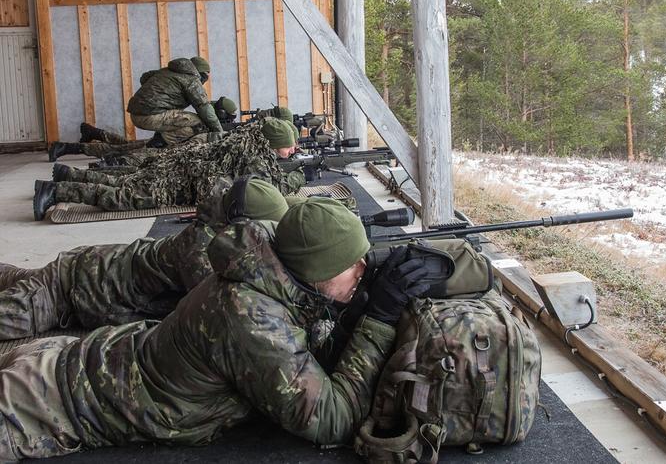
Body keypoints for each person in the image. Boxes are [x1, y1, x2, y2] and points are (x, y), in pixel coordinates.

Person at [0, 198, 430, 460]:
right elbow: (332, 420)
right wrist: (378, 319)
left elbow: (309, 340)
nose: (360, 270)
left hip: (83, 360)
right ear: (313, 271)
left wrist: (357, 305)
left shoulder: (264, 274)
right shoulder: (251, 317)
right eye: (349, 265)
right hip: (52, 401)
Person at [1, 178, 289, 340]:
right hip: (71, 289)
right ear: (240, 223)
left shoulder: (218, 233)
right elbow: (229, 312)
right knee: (12, 316)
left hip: (88, 271)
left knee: (20, 279)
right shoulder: (202, 253)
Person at [32, 121, 305, 220]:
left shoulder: (247, 141)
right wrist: (297, 176)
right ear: (273, 144)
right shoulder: (255, 156)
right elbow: (271, 193)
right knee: (126, 197)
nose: (292, 151)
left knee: (126, 182)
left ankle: (69, 176)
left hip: (178, 167)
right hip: (178, 181)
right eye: (288, 147)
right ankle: (56, 191)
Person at [47, 97, 239, 162]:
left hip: (162, 147)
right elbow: (164, 122)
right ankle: (64, 148)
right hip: (159, 148)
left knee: (124, 145)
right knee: (117, 151)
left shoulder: (202, 124)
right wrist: (160, 139)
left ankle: (93, 133)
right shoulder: (192, 119)